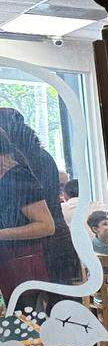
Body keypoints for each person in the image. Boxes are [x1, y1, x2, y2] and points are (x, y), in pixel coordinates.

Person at [0, 107, 79, 285]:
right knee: (60, 307)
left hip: (37, 249)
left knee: (38, 308)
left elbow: (37, 218)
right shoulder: (41, 155)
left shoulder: (17, 167)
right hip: (55, 242)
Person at [0, 127, 53, 305]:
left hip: (21, 270)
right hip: (12, 270)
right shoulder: (7, 178)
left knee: (26, 325)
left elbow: (46, 225)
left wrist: (2, 233)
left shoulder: (17, 177)